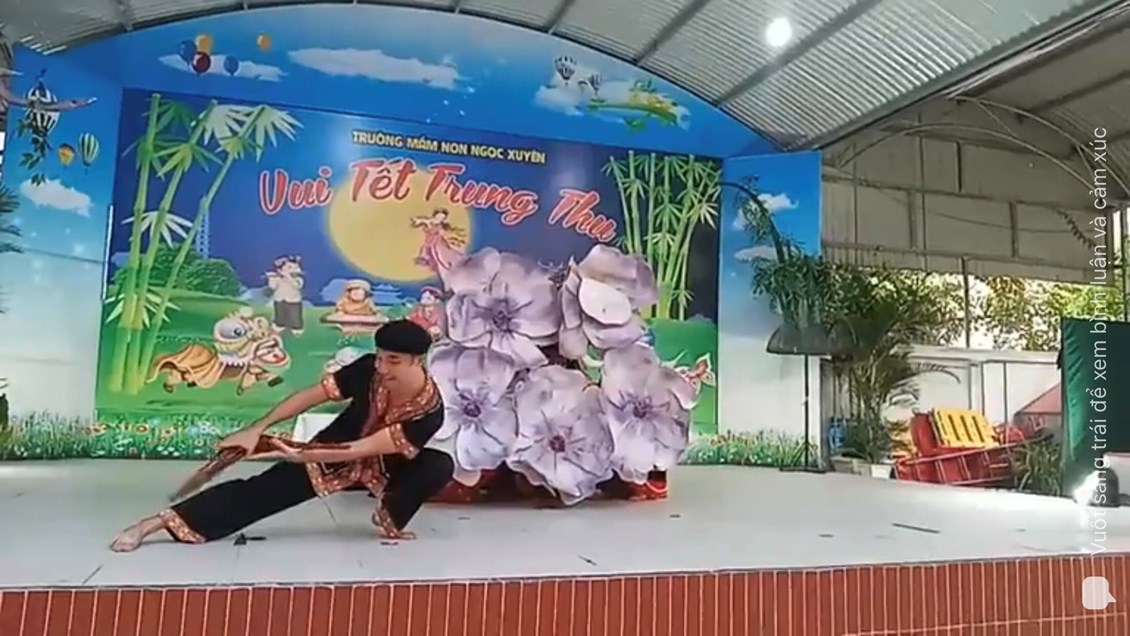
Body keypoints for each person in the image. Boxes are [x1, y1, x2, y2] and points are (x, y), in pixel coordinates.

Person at [109, 320, 453, 552]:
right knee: (260, 492)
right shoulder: (367, 370)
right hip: (332, 450)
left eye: (393, 361)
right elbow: (311, 396)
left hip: (382, 463)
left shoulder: (429, 412)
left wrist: (295, 452)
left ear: (417, 361)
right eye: (379, 357)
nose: (381, 367)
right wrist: (257, 429)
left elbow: (360, 449)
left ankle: (390, 513)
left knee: (438, 465)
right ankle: (151, 525)